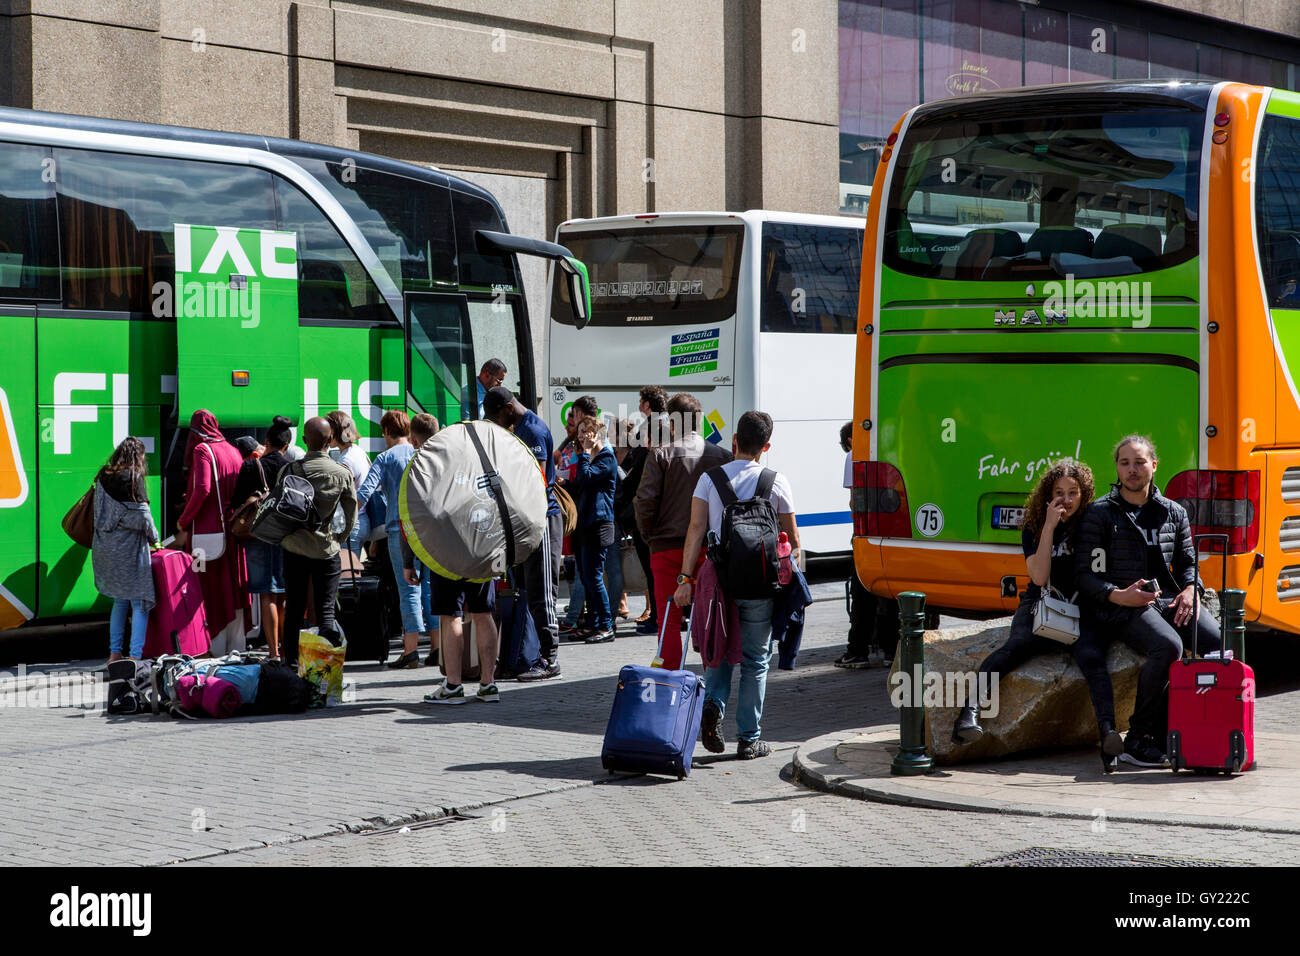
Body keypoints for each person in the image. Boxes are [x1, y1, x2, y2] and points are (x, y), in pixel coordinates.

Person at [951, 460, 1125, 769]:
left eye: (1074, 493)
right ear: (1048, 495)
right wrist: (1048, 527)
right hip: (1040, 603)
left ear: (1085, 495)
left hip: (1079, 609)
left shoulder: (1093, 523)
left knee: (1093, 659)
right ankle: (969, 714)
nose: (1067, 500)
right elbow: (1039, 576)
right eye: (1060, 492)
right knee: (1013, 649)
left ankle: (1109, 736)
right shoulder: (1034, 525)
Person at [1075, 435, 1221, 769]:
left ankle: (1198, 728)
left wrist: (1190, 590)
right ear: (1117, 469)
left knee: (1220, 645)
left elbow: (1188, 564)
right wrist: (1118, 595)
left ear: (1154, 465)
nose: (1132, 470)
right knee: (1168, 646)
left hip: (1169, 599)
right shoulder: (1099, 514)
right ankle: (1139, 740)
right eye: (1124, 463)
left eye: (1139, 462)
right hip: (1121, 605)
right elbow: (1084, 576)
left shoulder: (1173, 511)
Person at [674, 411, 799, 759]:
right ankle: (749, 738)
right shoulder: (776, 481)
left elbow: (696, 530)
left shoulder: (709, 480)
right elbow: (792, 541)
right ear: (766, 446)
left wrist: (685, 578)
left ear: (734, 441)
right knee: (756, 661)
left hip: (718, 582)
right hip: (761, 584)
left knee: (717, 653)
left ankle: (713, 705)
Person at [634, 392, 732, 668]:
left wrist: (649, 534)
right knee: (710, 614)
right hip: (708, 547)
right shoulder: (722, 456)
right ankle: (712, 680)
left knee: (668, 618)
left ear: (673, 423)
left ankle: (669, 681)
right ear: (699, 421)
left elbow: (645, 501)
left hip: (666, 547)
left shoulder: (661, 455)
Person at [483, 386, 561, 679]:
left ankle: (550, 659)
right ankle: (534, 654)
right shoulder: (521, 427)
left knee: (543, 593)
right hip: (525, 521)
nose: (497, 424)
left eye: (496, 417)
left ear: (506, 408)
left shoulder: (534, 431)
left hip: (541, 519)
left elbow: (536, 483)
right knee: (528, 590)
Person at [356, 410, 433, 668]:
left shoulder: (385, 458)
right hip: (428, 526)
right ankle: (437, 648)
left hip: (401, 528)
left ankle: (410, 651)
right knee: (430, 588)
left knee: (408, 587)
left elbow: (364, 492)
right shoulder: (420, 452)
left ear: (387, 432)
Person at [279, 416, 356, 667]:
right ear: (330, 440)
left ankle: (289, 663)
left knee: (294, 608)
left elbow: (278, 508)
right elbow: (351, 512)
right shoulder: (341, 473)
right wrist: (339, 539)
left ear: (304, 441)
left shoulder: (289, 470)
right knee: (326, 611)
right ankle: (325, 668)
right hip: (326, 550)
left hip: (294, 547)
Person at [176, 409, 249, 653]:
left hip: (208, 536)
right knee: (235, 590)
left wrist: (184, 520)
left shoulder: (202, 450)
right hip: (233, 532)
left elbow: (203, 488)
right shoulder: (233, 450)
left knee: (212, 591)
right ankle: (236, 647)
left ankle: (214, 648)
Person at [233, 415, 294, 660]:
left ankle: (273, 651)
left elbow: (236, 501)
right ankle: (286, 648)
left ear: (266, 441)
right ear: (286, 446)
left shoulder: (250, 467)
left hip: (257, 534)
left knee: (266, 594)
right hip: (285, 536)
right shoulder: (291, 468)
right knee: (282, 594)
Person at [92, 437, 158, 662]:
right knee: (140, 601)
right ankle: (135, 657)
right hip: (130, 550)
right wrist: (155, 538)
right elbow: (143, 517)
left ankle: (114, 653)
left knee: (120, 600)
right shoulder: (133, 478)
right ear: (137, 456)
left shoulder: (103, 475)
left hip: (106, 548)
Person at [567, 416, 620, 643]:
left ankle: (606, 625)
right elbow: (580, 481)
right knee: (588, 577)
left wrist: (585, 453)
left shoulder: (606, 457)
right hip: (585, 523)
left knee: (595, 577)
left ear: (597, 433)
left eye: (586, 431)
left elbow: (586, 476)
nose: (581, 435)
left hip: (600, 524)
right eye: (579, 431)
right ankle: (593, 623)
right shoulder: (591, 456)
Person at [835, 421, 876, 668]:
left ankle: (857, 651)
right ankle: (892, 652)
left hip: (866, 532)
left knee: (861, 593)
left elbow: (854, 502)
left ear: (851, 439)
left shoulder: (854, 456)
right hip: (892, 530)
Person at [326, 410, 374, 556]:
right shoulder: (358, 451)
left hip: (352, 524)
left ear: (336, 431)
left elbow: (341, 496)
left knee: (347, 574)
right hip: (363, 519)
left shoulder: (346, 461)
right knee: (353, 572)